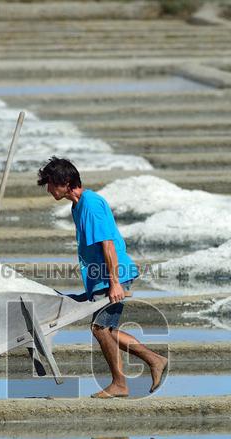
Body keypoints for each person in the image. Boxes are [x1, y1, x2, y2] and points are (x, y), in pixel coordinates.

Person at [38, 157, 168, 398]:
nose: (48, 189)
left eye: (50, 183)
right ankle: (154, 359)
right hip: (102, 277)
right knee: (108, 329)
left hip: (113, 275)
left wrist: (115, 282)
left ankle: (120, 383)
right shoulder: (77, 206)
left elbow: (107, 244)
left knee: (100, 328)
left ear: (65, 182)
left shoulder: (91, 204)